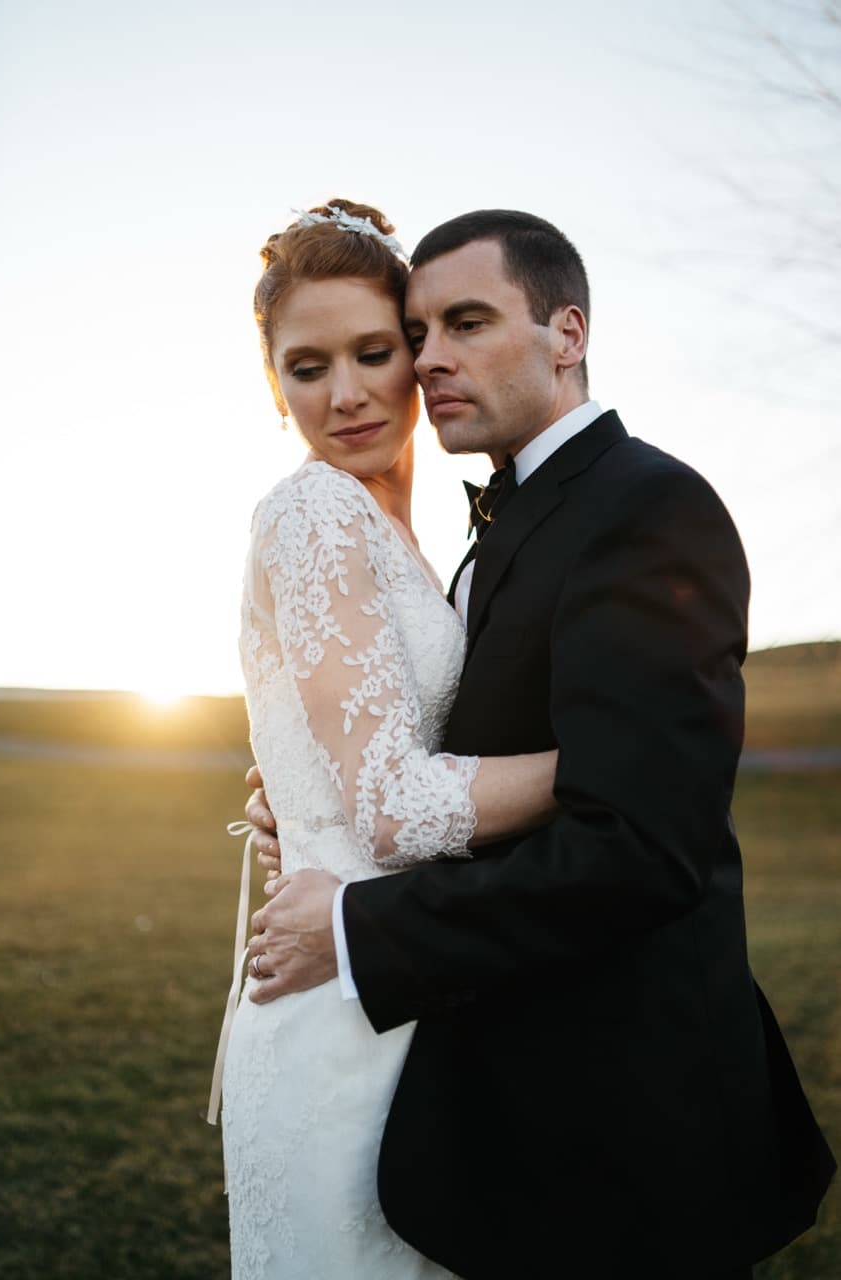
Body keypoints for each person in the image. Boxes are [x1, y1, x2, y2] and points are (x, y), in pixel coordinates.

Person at [245, 209, 836, 1279]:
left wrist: (356, 917)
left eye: (462, 324)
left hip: (621, 1099)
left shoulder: (645, 507)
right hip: (493, 1073)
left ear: (567, 333)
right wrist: (301, 785)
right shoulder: (487, 529)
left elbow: (642, 842)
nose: (428, 362)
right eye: (418, 332)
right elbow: (423, 743)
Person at [213, 200, 565, 1280]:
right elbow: (397, 807)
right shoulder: (314, 511)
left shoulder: (412, 532)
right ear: (274, 386)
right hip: (346, 1005)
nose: (348, 391)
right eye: (307, 366)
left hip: (412, 973)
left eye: (374, 351)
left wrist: (290, 789)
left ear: (418, 355)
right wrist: (617, 758)